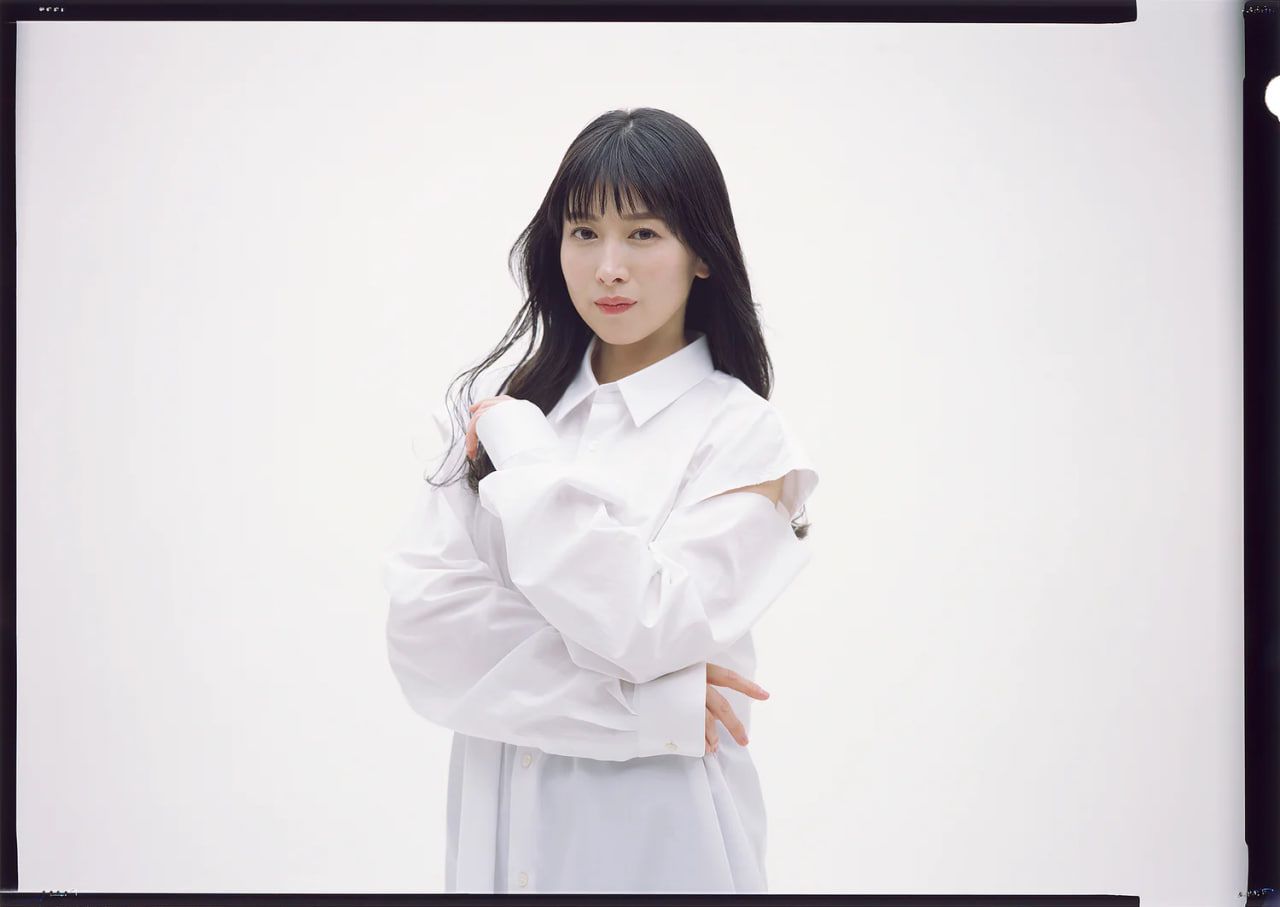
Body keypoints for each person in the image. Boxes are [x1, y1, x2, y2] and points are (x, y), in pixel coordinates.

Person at [380, 107, 820, 894]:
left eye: (643, 234)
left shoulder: (743, 436)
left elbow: (648, 624)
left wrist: (527, 461)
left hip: (663, 847)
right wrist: (652, 710)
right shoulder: (498, 413)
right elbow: (427, 640)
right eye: (584, 232)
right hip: (497, 847)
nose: (608, 266)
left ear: (703, 254)